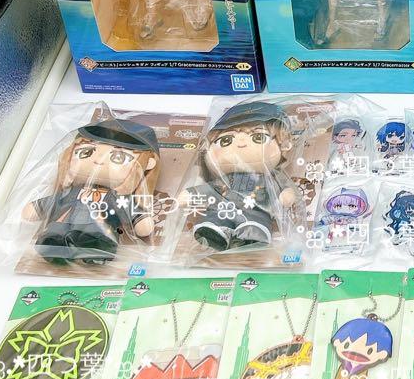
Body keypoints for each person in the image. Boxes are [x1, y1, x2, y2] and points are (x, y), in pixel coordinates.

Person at [24, 117, 159, 266]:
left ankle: (95, 250)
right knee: (54, 236)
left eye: (118, 157)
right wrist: (38, 207)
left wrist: (139, 219)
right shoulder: (73, 192)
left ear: (147, 164)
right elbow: (56, 201)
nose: (98, 161)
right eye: (86, 152)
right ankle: (55, 247)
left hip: (96, 228)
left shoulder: (113, 197)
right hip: (64, 224)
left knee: (96, 238)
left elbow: (127, 207)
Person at [183, 101, 298, 253]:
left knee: (254, 222)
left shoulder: (269, 179)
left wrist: (286, 195)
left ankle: (251, 236)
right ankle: (214, 232)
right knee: (214, 218)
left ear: (283, 145)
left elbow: (283, 190)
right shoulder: (223, 180)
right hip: (222, 210)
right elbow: (210, 189)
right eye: (226, 140)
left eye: (258, 137)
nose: (241, 143)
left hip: (255, 212)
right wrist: (190, 194)